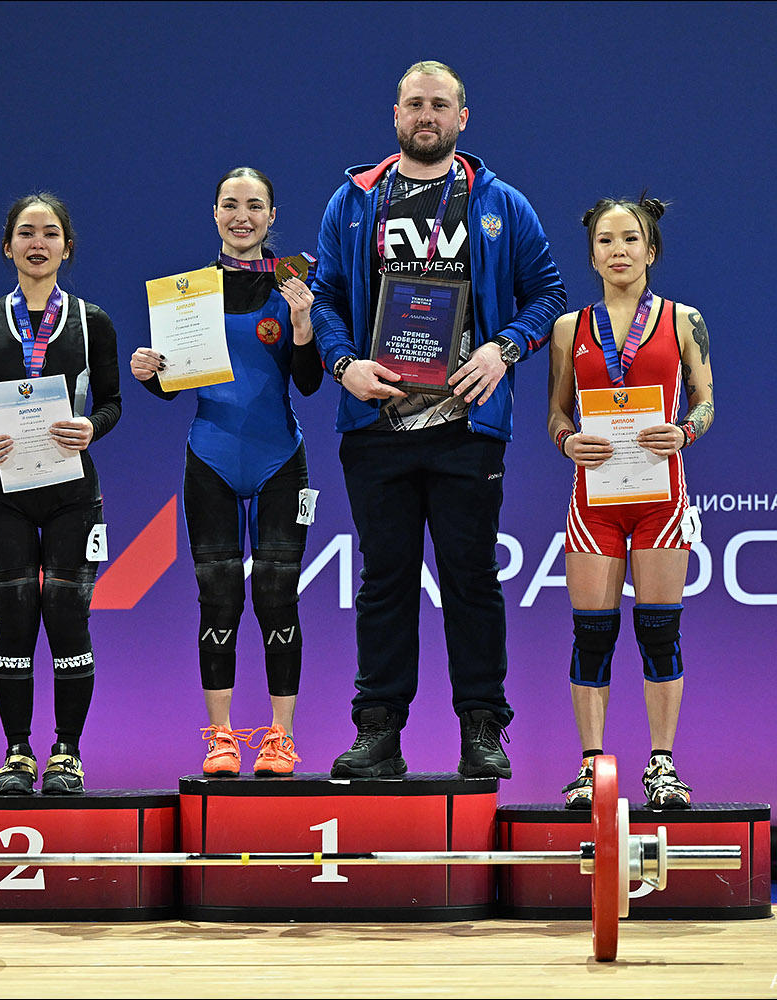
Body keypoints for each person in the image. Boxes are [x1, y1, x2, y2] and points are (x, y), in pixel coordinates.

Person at [311, 61, 566, 778]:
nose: (428, 115)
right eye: (416, 104)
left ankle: (482, 728)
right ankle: (378, 732)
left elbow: (546, 294)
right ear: (395, 114)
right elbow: (325, 298)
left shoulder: (501, 203)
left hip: (467, 424)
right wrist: (343, 365)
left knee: (471, 578)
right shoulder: (353, 202)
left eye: (441, 105)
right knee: (384, 582)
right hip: (377, 423)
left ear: (462, 118)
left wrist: (503, 348)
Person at [129, 168, 322, 777]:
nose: (243, 216)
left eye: (255, 205)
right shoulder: (187, 293)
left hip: (279, 460)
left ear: (272, 216)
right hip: (210, 459)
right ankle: (220, 738)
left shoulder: (295, 283)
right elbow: (171, 385)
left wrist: (303, 326)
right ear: (214, 213)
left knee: (276, 596)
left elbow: (310, 383)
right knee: (219, 598)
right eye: (231, 205)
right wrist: (149, 370)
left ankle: (280, 739)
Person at [546, 194, 715, 809]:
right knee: (591, 635)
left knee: (659, 632)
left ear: (651, 250)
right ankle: (591, 768)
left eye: (630, 239)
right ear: (591, 255)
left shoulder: (684, 319)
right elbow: (556, 413)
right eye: (606, 241)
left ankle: (662, 766)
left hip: (660, 498)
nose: (618, 251)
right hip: (594, 499)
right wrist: (567, 442)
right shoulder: (569, 328)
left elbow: (705, 401)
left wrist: (686, 431)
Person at [0, 192, 121, 795]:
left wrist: (92, 427)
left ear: (67, 248)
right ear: (8, 247)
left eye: (50, 233)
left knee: (69, 619)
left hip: (74, 492)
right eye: (26, 232)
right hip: (5, 493)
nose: (38, 243)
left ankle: (67, 753)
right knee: (14, 621)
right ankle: (18, 753)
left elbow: (112, 402)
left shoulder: (93, 321)